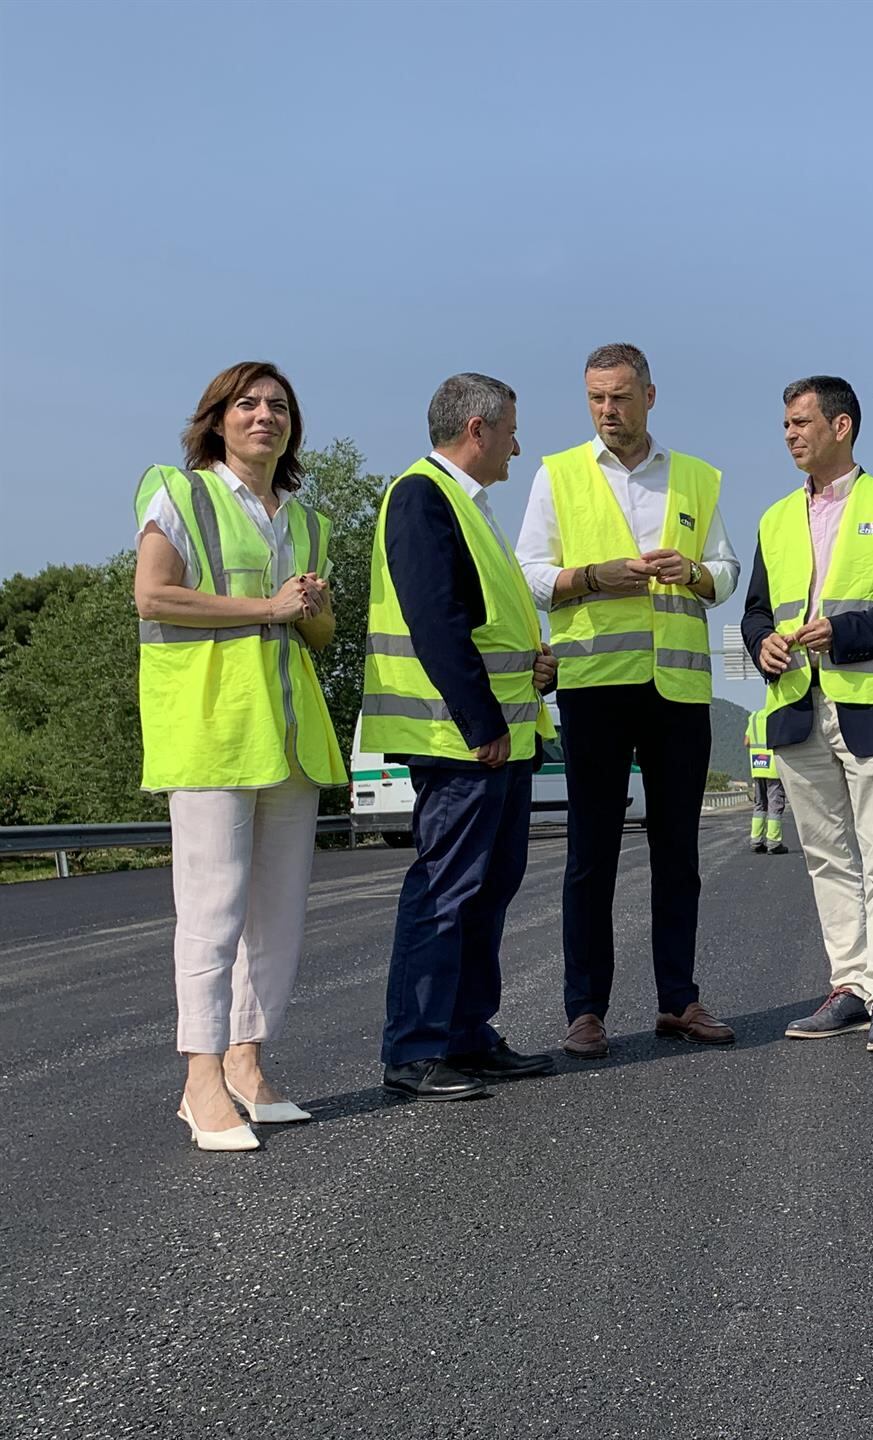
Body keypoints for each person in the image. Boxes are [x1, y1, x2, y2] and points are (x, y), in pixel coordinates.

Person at [133, 361, 347, 1151]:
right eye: (248, 404)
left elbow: (316, 632)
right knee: (213, 910)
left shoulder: (308, 520)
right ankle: (200, 1081)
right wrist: (268, 605)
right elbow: (153, 595)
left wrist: (311, 610)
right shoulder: (180, 491)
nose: (265, 415)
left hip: (288, 735)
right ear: (218, 418)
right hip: (212, 730)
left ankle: (248, 1064)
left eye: (279, 406)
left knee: (279, 915)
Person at [515, 343, 740, 1059]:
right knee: (592, 855)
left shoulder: (698, 479)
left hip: (676, 691)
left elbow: (729, 570)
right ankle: (585, 1010)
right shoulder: (556, 475)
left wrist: (698, 572)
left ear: (649, 395)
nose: (607, 411)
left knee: (678, 851)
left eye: (618, 396)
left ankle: (679, 1000)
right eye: (595, 399)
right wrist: (590, 576)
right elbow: (530, 573)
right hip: (593, 690)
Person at [741, 376, 873, 1054]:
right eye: (785, 426)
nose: (790, 435)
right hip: (797, 709)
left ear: (842, 426)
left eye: (801, 422)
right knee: (828, 858)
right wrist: (761, 644)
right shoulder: (774, 519)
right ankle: (849, 986)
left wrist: (848, 632)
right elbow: (753, 612)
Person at [363, 373, 559, 1101]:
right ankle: (415, 1051)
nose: (517, 444)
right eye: (511, 429)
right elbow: (434, 618)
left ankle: (467, 1035)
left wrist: (534, 671)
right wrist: (481, 724)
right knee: (448, 891)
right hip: (458, 739)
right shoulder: (423, 494)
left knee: (487, 890)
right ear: (477, 429)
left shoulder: (470, 507)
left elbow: (484, 626)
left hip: (497, 734)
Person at [745, 705, 789, 854]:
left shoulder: (755, 716)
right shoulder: (777, 715)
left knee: (760, 805)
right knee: (775, 805)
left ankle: (756, 841)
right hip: (773, 768)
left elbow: (746, 742)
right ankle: (774, 842)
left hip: (757, 766)